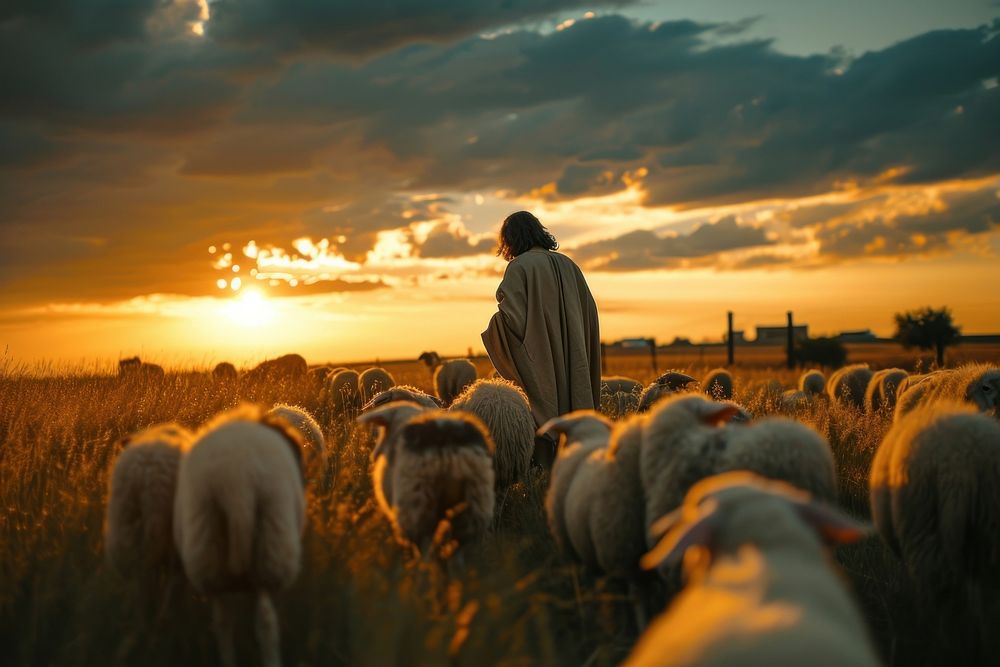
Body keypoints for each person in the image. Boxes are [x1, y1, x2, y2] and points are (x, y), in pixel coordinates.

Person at [481, 211, 602, 469]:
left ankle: (544, 483)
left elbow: (512, 321)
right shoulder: (570, 266)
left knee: (543, 413)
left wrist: (494, 329)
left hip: (542, 361)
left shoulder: (519, 267)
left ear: (510, 239)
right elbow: (589, 314)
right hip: (575, 356)